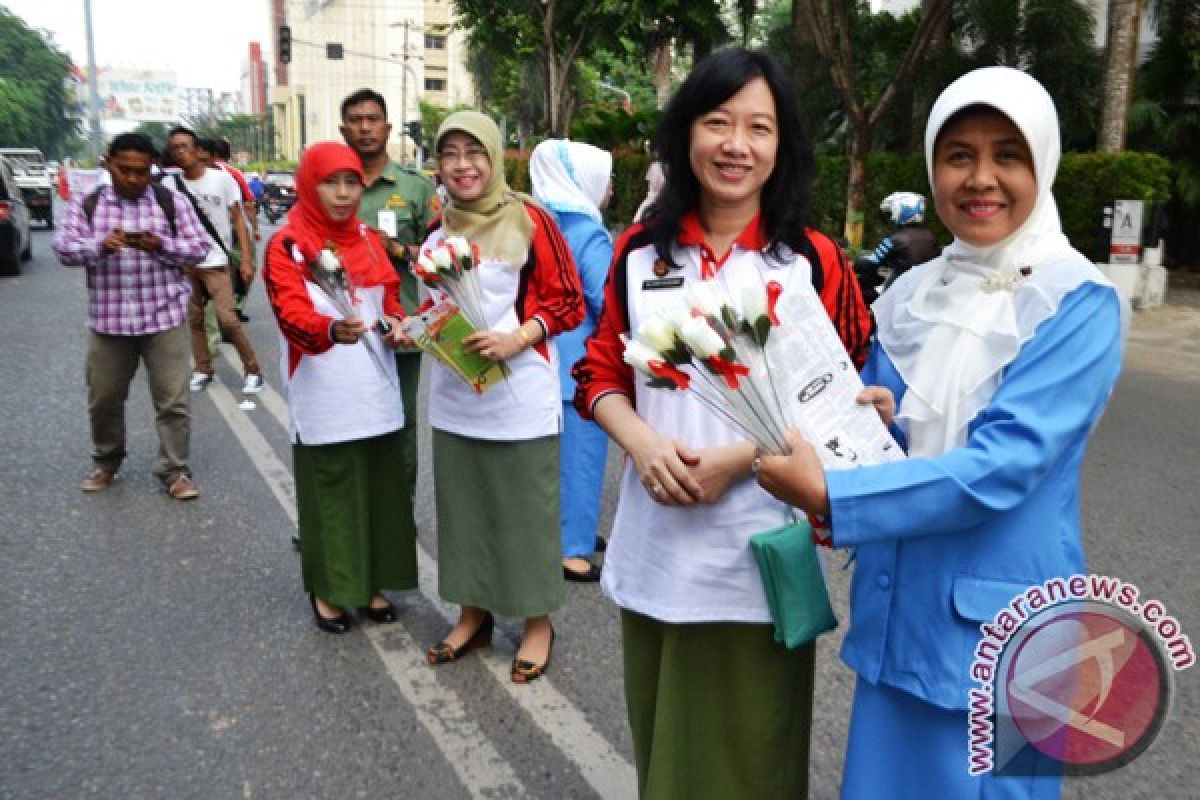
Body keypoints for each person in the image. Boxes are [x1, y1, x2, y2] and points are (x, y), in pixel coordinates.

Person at [755, 67, 1127, 800]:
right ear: (932, 167)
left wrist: (835, 490)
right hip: (902, 615)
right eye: (958, 154)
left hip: (1011, 642)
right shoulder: (910, 296)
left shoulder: (1078, 302)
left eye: (1007, 155)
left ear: (1042, 163)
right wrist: (863, 427)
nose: (980, 178)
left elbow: (1002, 466)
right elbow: (872, 430)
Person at [572, 48, 872, 799]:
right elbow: (600, 373)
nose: (737, 145)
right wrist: (640, 443)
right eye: (718, 122)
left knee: (755, 754)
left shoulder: (812, 259)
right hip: (658, 549)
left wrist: (741, 458)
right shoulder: (639, 253)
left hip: (762, 556)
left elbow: (845, 394)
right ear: (686, 135)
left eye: (759, 127)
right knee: (667, 746)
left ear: (782, 146)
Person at [423, 111, 585, 683]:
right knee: (464, 514)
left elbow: (569, 301)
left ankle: (537, 621)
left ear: (494, 158)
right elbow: (437, 308)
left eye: (475, 152)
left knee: (524, 516)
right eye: (451, 153)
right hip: (455, 397)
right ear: (438, 163)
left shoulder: (531, 221)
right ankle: (473, 615)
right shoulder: (438, 232)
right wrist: (413, 327)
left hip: (521, 399)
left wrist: (519, 336)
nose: (463, 165)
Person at [261, 141, 418, 633]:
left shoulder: (369, 240)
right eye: (332, 182)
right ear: (310, 184)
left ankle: (369, 583)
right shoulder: (287, 244)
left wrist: (397, 323)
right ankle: (329, 589)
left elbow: (390, 297)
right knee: (332, 492)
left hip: (375, 386)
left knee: (377, 490)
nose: (344, 193)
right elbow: (290, 313)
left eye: (352, 182)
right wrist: (328, 330)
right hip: (324, 386)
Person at [54, 132, 211, 500]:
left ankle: (175, 471)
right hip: (109, 322)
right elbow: (63, 248)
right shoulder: (88, 202)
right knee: (104, 398)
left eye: (142, 172)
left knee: (173, 401)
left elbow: (199, 248)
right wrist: (101, 246)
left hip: (164, 317)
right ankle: (107, 461)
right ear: (109, 163)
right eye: (125, 170)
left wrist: (162, 246)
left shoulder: (170, 202)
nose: (133, 179)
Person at [339, 87, 438, 546]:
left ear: (387, 127)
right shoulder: (331, 184)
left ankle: (397, 520)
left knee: (400, 428)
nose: (364, 127)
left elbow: (441, 258)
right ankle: (342, 516)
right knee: (342, 422)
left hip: (399, 330)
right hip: (340, 330)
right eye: (355, 120)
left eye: (372, 119)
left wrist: (399, 249)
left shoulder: (415, 188)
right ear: (344, 129)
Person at [529, 139, 613, 582]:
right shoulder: (587, 232)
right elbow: (607, 300)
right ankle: (573, 549)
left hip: (540, 358)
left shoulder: (536, 223)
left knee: (553, 462)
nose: (611, 190)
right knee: (582, 459)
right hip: (580, 365)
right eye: (606, 180)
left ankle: (565, 532)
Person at [165, 127, 264, 395]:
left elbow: (238, 220)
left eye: (186, 146)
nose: (181, 152)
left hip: (216, 260)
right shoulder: (169, 185)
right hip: (186, 263)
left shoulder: (221, 180)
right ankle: (203, 369)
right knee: (195, 320)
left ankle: (253, 370)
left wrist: (245, 258)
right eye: (175, 148)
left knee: (228, 320)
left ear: (198, 151)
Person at [852, 191, 938, 305]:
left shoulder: (895, 239)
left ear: (900, 211)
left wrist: (856, 263)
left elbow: (871, 262)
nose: (891, 216)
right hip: (925, 289)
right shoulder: (929, 236)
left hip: (900, 289)